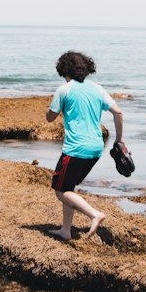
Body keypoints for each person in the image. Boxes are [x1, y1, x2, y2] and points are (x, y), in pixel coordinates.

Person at [45, 49, 124, 242]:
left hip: (75, 149)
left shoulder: (64, 90)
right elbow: (118, 112)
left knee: (60, 190)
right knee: (69, 187)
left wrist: (55, 109)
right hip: (96, 148)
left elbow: (50, 117)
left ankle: (94, 214)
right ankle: (66, 229)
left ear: (65, 70)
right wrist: (119, 140)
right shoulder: (97, 88)